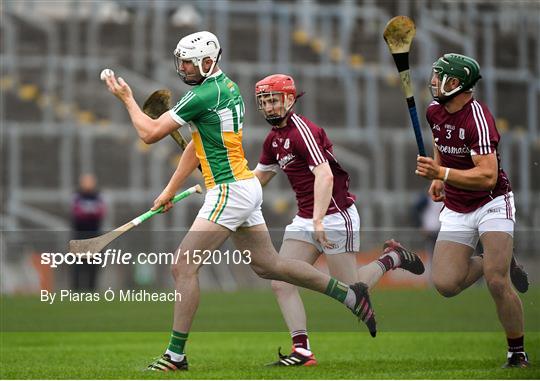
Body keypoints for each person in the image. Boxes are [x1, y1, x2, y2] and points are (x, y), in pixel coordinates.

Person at [104, 31, 377, 372]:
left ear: (208, 61)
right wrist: (170, 189)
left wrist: (127, 98)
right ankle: (350, 295)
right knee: (269, 266)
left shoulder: (203, 94)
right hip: (242, 187)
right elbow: (195, 144)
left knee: (182, 266)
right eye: (182, 62)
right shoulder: (226, 87)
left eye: (189, 62)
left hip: (230, 190)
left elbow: (149, 133)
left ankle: (175, 356)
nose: (184, 68)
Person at [252, 74, 425, 366]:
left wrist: (319, 221)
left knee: (353, 289)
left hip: (333, 216)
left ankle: (391, 258)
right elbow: (260, 178)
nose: (269, 107)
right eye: (264, 102)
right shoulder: (274, 139)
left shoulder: (301, 131)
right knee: (281, 281)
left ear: (290, 100)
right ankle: (302, 352)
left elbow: (325, 174)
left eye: (274, 100)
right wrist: (229, 191)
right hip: (305, 217)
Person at [415, 53, 529, 368]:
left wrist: (442, 174)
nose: (435, 82)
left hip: (491, 202)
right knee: (446, 285)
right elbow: (441, 142)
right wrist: (439, 172)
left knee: (496, 280)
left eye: (441, 78)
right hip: (456, 204)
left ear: (458, 84)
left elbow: (487, 175)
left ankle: (516, 352)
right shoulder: (434, 111)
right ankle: (500, 256)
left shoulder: (477, 119)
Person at [71, 174, 106, 290]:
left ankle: (92, 291)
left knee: (93, 266)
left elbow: (100, 212)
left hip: (95, 236)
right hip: (79, 237)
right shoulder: (77, 197)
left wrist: (88, 211)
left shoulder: (98, 197)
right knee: (78, 266)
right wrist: (91, 211)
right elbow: (78, 214)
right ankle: (76, 292)